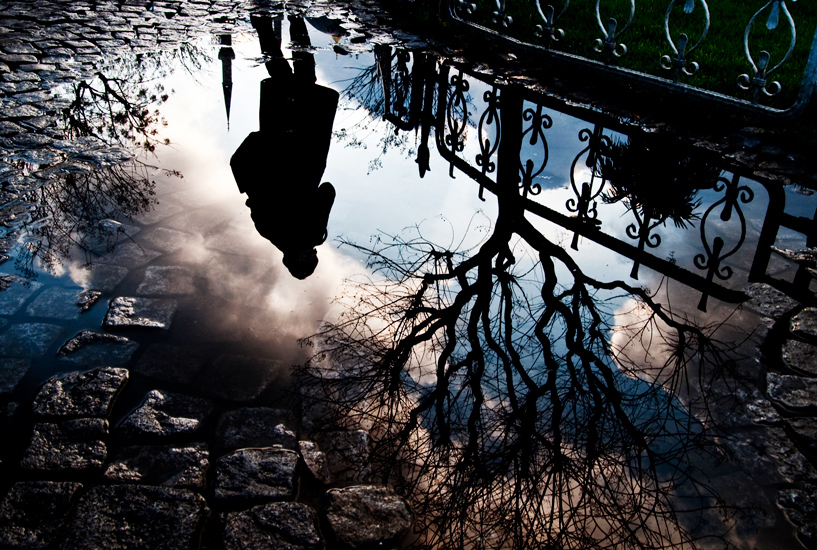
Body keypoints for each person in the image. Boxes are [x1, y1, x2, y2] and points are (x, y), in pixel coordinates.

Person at [230, 14, 339, 279]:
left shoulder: (313, 233)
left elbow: (327, 191)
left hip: (305, 150)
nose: (313, 252)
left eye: (311, 256)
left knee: (304, 74)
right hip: (275, 143)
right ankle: (263, 24)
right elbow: (254, 193)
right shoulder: (267, 230)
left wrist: (320, 230)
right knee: (278, 73)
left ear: (305, 257)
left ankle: (297, 20)